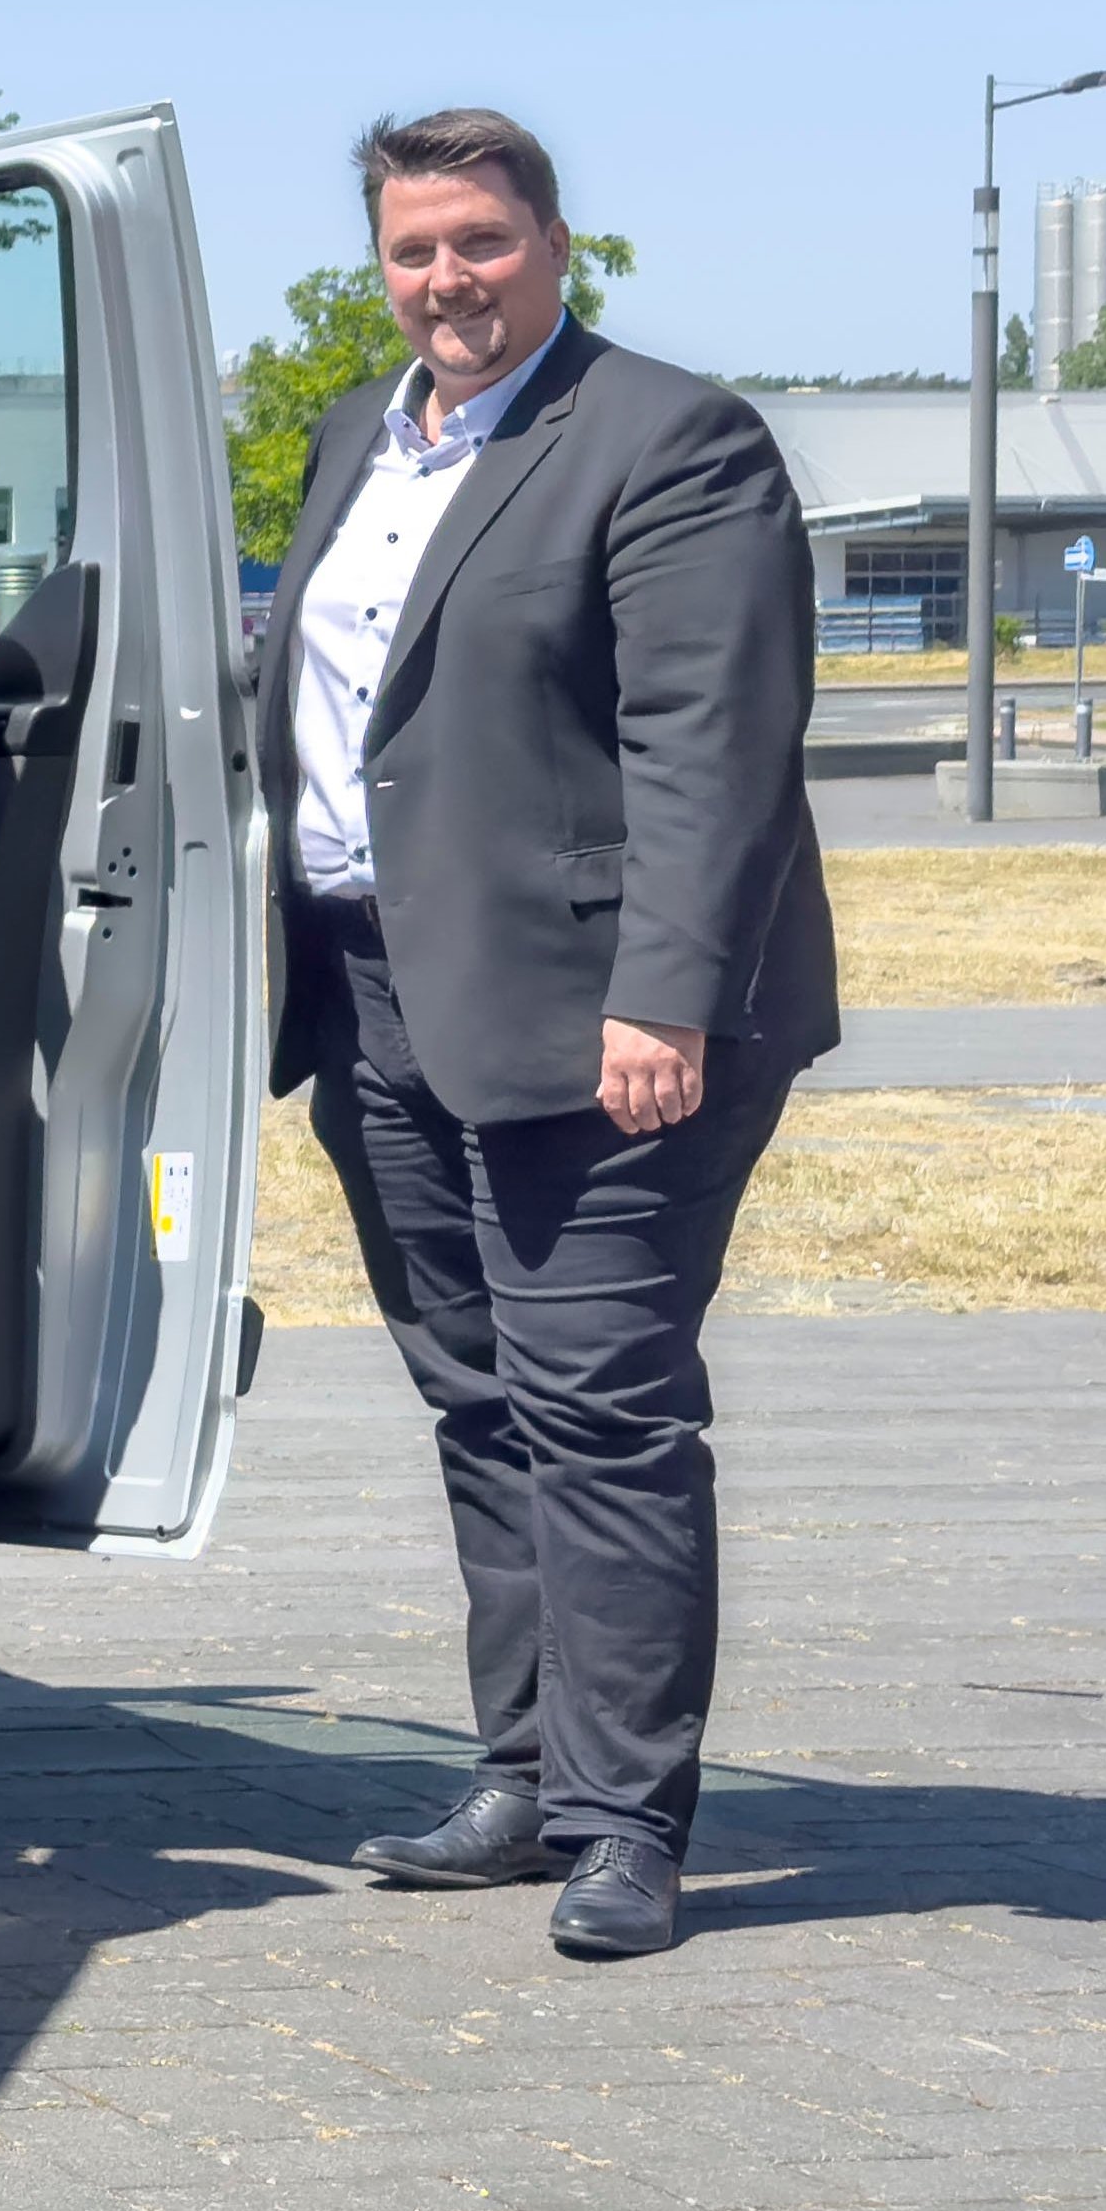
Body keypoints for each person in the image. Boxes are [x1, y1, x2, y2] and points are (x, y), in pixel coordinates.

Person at [262, 107, 834, 1961]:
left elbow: (709, 741)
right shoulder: (357, 434)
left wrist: (663, 993)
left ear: (555, 243)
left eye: (481, 242)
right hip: (376, 994)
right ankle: (520, 1772)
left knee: (601, 1407)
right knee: (478, 1398)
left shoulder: (667, 436)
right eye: (412, 248)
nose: (447, 279)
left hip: (596, 1014)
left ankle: (622, 1823)